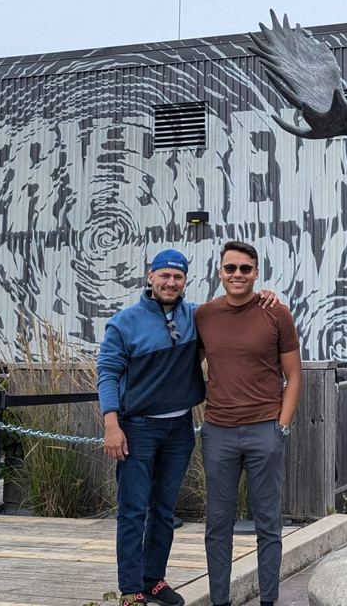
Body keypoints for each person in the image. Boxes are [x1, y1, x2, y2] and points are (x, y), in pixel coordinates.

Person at [96, 248, 278, 606]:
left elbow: (234, 308)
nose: (170, 282)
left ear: (185, 281)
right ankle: (131, 590)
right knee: (133, 510)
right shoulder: (124, 322)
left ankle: (154, 580)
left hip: (179, 428)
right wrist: (111, 423)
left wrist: (265, 297)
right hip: (137, 428)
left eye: (177, 276)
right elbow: (107, 373)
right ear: (150, 277)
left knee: (164, 510)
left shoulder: (196, 316)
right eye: (164, 275)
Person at [197, 240, 302, 606]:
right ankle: (220, 601)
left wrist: (281, 428)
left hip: (264, 431)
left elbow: (294, 375)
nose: (237, 274)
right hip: (218, 432)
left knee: (268, 524)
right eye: (230, 268)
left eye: (245, 268)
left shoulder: (277, 313)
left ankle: (269, 600)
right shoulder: (203, 315)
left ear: (256, 273)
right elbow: (188, 364)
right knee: (217, 525)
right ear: (220, 272)